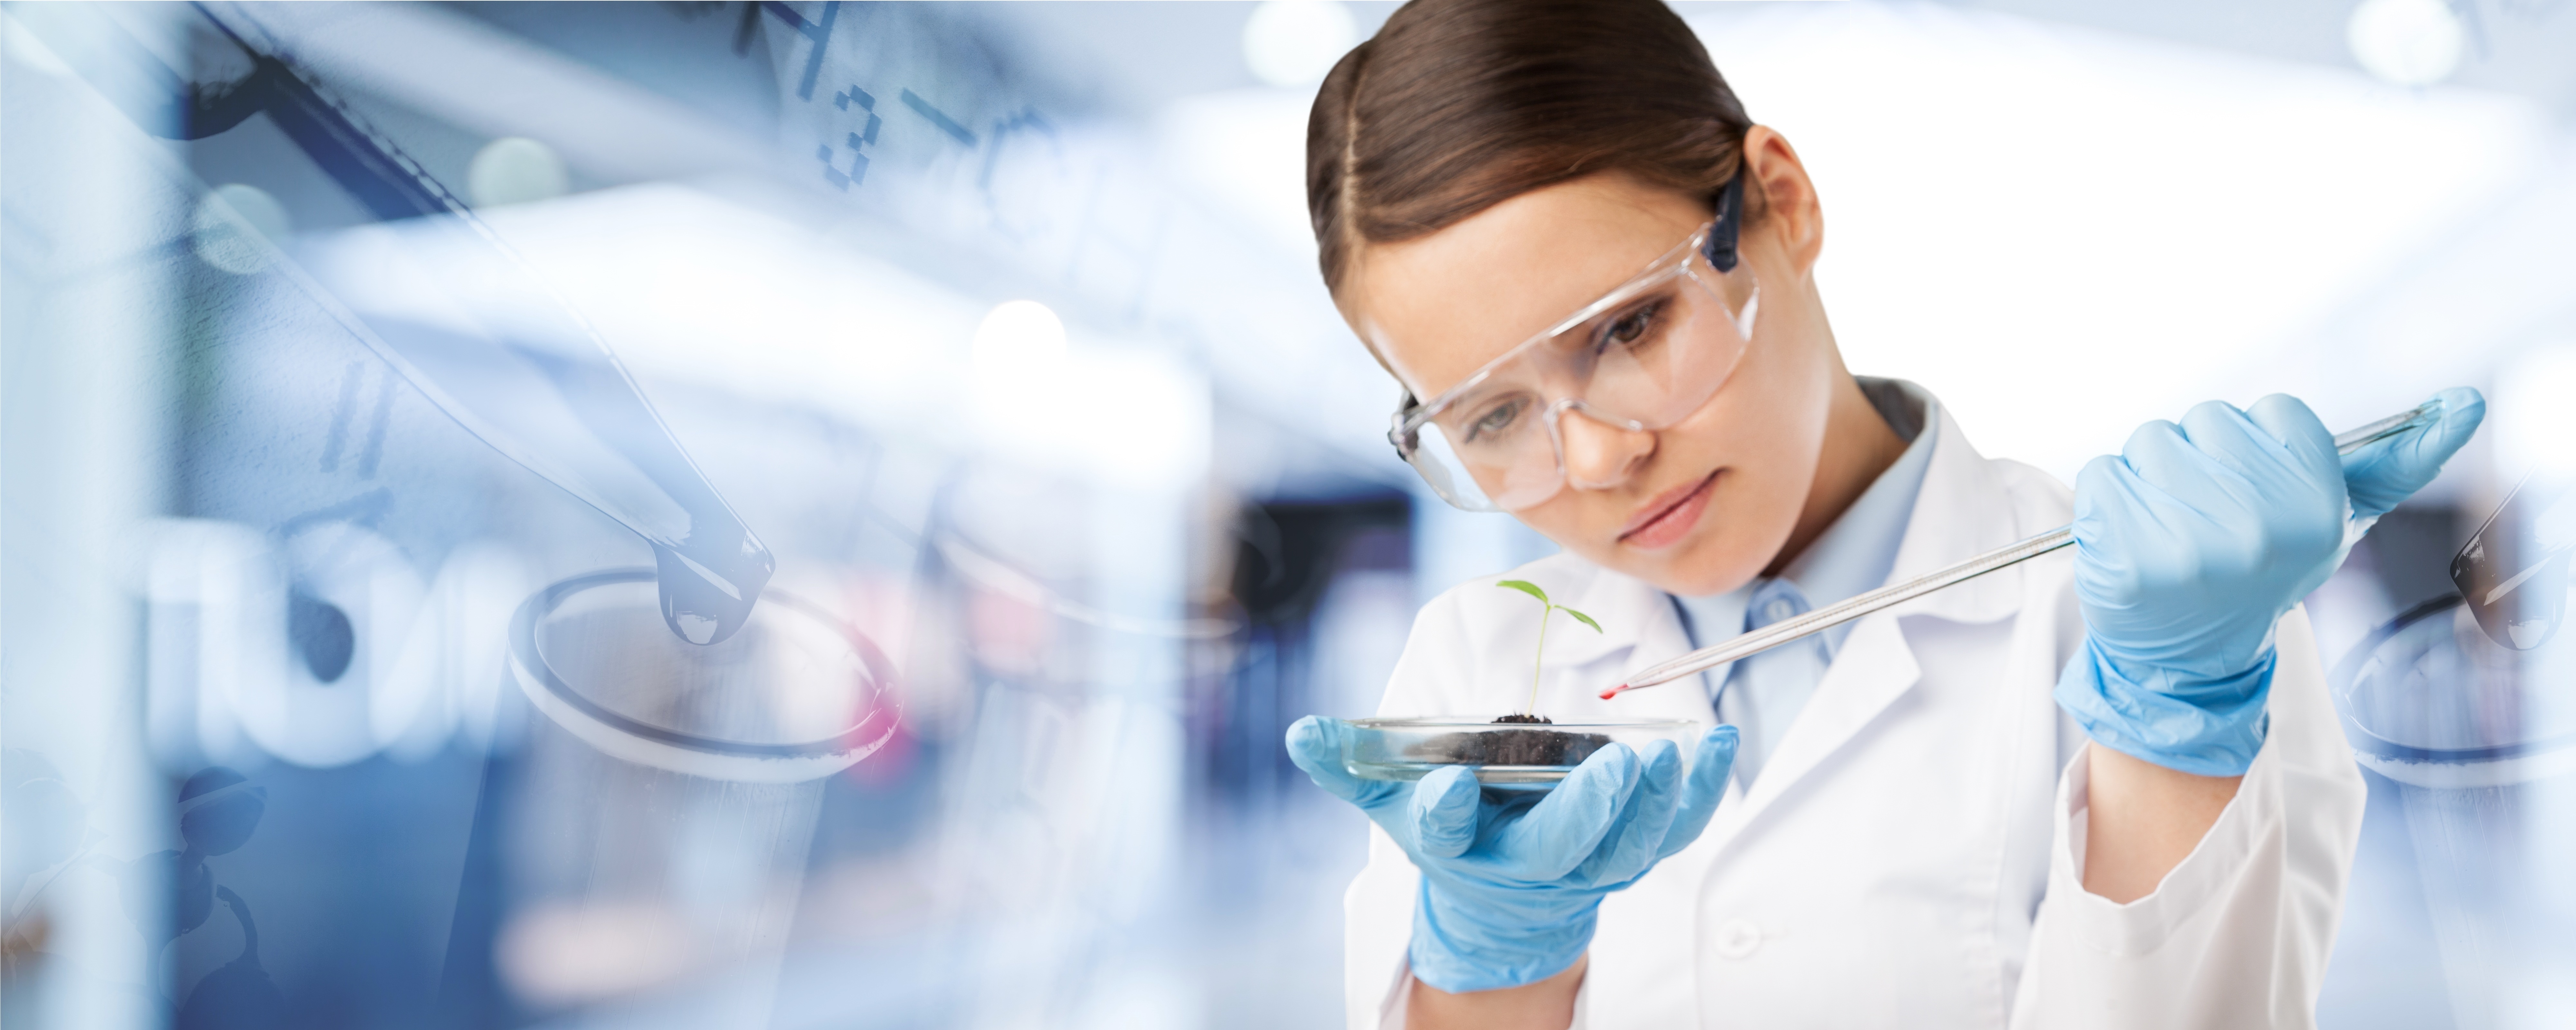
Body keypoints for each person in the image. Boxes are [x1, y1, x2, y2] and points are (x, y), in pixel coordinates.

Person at [1277, 1, 2485, 1027]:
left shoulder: (2166, 630)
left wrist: (2173, 731)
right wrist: (1493, 966)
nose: (1595, 460)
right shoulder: (1478, 662)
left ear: (1781, 203)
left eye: (1632, 327)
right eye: (1492, 419)